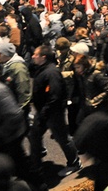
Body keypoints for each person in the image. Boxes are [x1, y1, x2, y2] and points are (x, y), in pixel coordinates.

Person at [29, 45, 81, 178]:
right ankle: (36, 162)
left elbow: (55, 95)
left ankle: (74, 162)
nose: (33, 56)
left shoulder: (51, 73)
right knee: (34, 134)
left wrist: (44, 113)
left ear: (43, 57)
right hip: (44, 111)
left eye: (36, 54)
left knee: (62, 138)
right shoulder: (43, 69)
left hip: (52, 112)